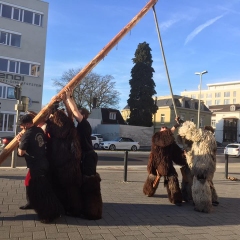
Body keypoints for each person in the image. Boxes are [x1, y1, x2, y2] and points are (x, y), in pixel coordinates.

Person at [59, 87, 102, 220]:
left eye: (80, 114)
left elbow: (74, 112)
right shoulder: (78, 127)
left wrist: (69, 97)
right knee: (82, 183)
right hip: (83, 158)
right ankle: (84, 208)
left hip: (88, 157)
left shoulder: (85, 125)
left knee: (90, 183)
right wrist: (65, 100)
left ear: (84, 116)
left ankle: (93, 212)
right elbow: (71, 114)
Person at [17, 114, 63, 223]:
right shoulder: (39, 130)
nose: (21, 127)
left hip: (35, 165)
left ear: (27, 124)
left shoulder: (27, 135)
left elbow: (21, 152)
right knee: (44, 189)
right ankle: (55, 210)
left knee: (41, 191)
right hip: (44, 162)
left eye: (22, 125)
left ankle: (49, 214)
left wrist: (20, 142)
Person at [143, 118, 187, 206]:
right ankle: (148, 191)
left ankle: (176, 198)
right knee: (152, 177)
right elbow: (163, 141)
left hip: (167, 164)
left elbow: (177, 154)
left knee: (173, 179)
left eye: (165, 127)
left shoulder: (170, 142)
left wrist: (184, 154)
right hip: (156, 163)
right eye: (162, 127)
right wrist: (174, 126)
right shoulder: (156, 137)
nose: (163, 127)